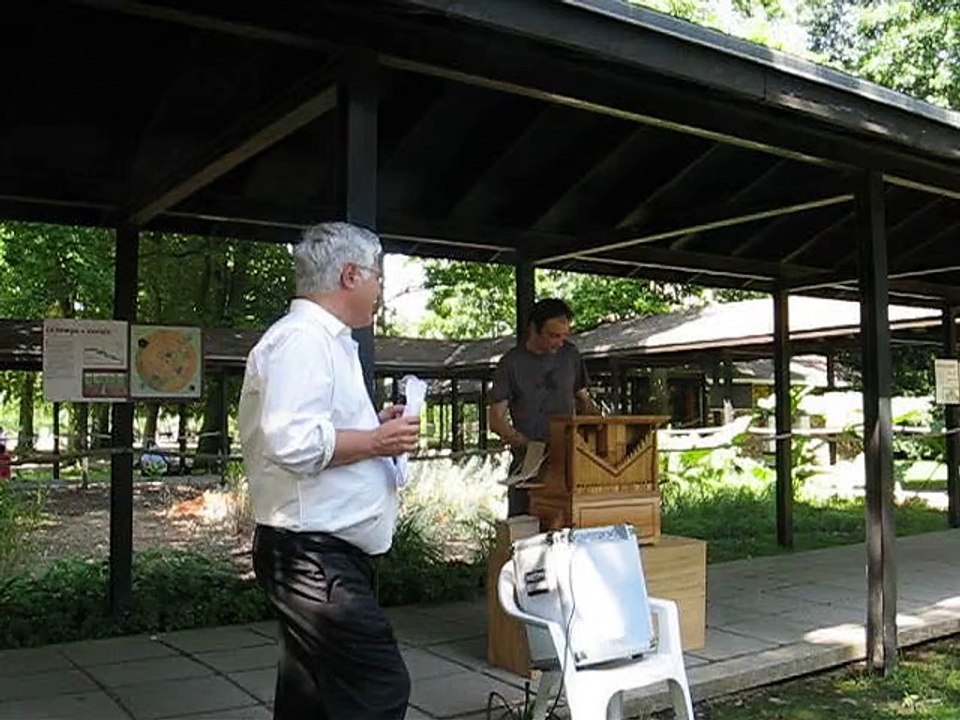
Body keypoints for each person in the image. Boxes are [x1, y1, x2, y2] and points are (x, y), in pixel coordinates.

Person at [238, 222, 420, 720]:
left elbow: (317, 429)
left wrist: (371, 428)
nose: (381, 289)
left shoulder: (327, 341)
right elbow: (293, 440)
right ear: (349, 275)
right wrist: (377, 441)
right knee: (378, 684)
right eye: (378, 277)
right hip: (312, 555)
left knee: (311, 694)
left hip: (320, 553)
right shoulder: (302, 340)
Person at [489, 298, 600, 516]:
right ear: (534, 329)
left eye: (564, 335)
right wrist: (529, 447)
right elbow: (496, 420)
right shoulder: (510, 364)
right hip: (529, 467)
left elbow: (584, 400)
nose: (560, 342)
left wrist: (602, 428)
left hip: (570, 462)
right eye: (553, 335)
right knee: (525, 535)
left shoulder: (570, 355)